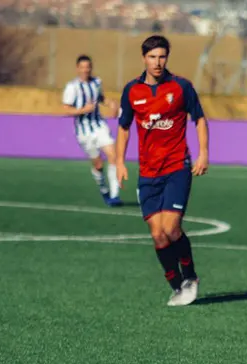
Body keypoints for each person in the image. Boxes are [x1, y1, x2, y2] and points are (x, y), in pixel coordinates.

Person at [115, 35, 210, 307]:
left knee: (171, 228)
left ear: (167, 58)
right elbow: (123, 127)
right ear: (144, 58)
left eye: (162, 57)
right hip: (148, 173)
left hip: (176, 166)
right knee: (157, 235)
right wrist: (119, 161)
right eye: (152, 57)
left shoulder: (181, 87)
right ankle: (176, 285)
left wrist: (203, 153)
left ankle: (190, 276)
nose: (157, 62)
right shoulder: (132, 90)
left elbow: (199, 119)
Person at [61, 55, 122, 206]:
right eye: (82, 67)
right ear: (77, 69)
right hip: (84, 132)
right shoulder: (72, 87)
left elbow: (100, 97)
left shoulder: (96, 82)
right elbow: (66, 110)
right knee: (98, 164)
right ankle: (104, 189)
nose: (85, 70)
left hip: (99, 126)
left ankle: (115, 195)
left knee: (113, 156)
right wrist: (84, 110)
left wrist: (111, 104)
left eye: (88, 67)